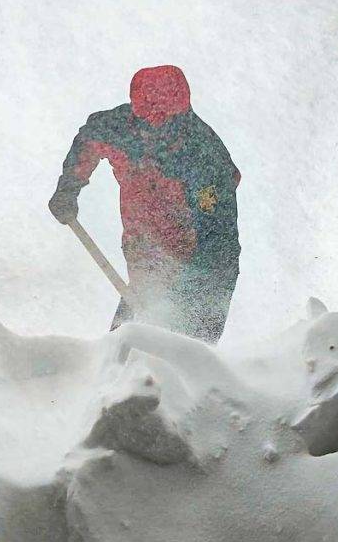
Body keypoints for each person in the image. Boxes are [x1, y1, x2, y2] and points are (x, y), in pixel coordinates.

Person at [48, 65, 240, 343]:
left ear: (181, 112)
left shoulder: (203, 155)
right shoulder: (123, 128)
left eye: (165, 120)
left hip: (205, 266)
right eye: (147, 118)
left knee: (189, 351)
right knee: (125, 344)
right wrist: (68, 188)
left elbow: (216, 237)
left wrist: (182, 293)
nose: (155, 127)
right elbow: (89, 138)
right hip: (145, 248)